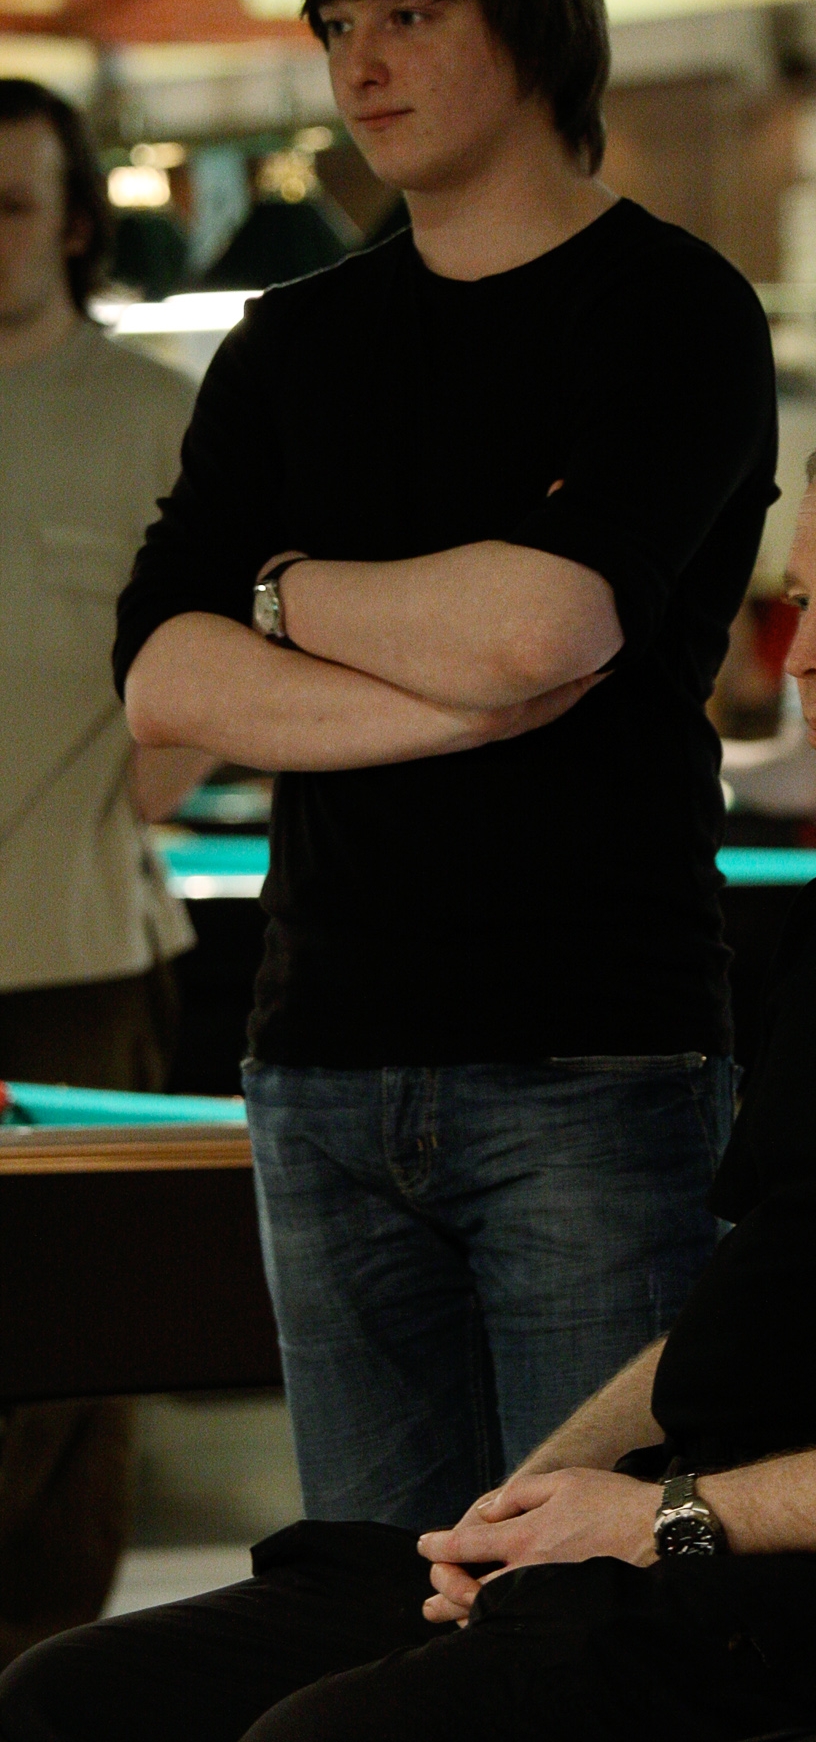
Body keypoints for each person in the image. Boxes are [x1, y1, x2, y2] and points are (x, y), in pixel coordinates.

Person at [0, 414, 816, 1742]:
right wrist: (525, 1503)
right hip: (693, 1538)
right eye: (801, 600)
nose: (803, 655)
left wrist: (668, 1520)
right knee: (78, 1699)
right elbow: (744, 1298)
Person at [108, 0, 779, 1534]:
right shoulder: (289, 341)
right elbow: (165, 677)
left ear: (533, 17)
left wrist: (286, 595)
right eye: (337, 26)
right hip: (322, 1052)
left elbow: (543, 630)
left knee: (575, 1595)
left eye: (407, 14)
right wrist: (445, 686)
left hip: (591, 1050)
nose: (362, 67)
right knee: (361, 1594)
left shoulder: (674, 309)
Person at [0, 80, 209, 1658]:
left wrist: (121, 804)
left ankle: (49, 1684)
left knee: (68, 1377)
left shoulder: (151, 414)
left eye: (9, 205)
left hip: (73, 964)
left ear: (74, 223)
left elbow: (211, 664)